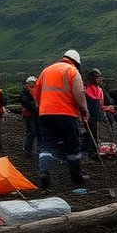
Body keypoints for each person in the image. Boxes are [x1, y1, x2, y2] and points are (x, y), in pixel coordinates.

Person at [32, 49, 89, 189]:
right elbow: (79, 93)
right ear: (76, 62)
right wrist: (84, 111)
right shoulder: (72, 71)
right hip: (66, 114)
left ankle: (44, 172)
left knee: (47, 144)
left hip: (45, 114)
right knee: (72, 144)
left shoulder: (46, 70)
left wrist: (41, 105)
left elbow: (36, 91)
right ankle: (76, 177)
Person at [82, 68, 106, 159]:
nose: (99, 79)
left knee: (94, 134)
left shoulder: (98, 88)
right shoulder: (86, 88)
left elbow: (100, 102)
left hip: (96, 115)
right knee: (90, 134)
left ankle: (92, 151)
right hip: (89, 115)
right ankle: (89, 152)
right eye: (97, 77)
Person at [21, 75, 39, 157]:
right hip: (29, 114)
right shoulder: (25, 92)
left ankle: (35, 149)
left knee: (36, 131)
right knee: (32, 131)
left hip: (36, 113)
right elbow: (25, 102)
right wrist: (35, 108)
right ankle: (28, 150)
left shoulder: (37, 90)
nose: (31, 84)